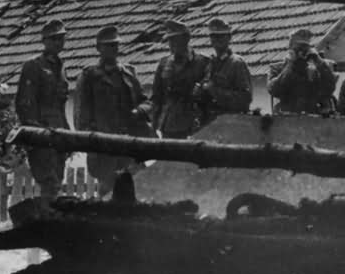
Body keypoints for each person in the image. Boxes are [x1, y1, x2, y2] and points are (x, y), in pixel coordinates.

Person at [74, 25, 155, 196]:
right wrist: (90, 142)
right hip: (105, 145)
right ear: (98, 48)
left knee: (134, 188)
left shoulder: (129, 73)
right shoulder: (89, 76)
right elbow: (81, 116)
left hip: (130, 142)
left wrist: (138, 111)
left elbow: (146, 101)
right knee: (107, 189)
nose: (113, 49)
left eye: (116, 45)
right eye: (108, 45)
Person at [16, 19, 71, 197]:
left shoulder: (61, 68)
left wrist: (67, 131)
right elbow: (25, 103)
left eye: (61, 39)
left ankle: (52, 215)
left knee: (58, 176)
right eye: (54, 39)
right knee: (48, 180)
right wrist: (34, 131)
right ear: (44, 41)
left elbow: (61, 105)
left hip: (59, 131)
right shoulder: (33, 66)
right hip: (41, 130)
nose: (58, 43)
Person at [150, 19, 209, 138]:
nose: (171, 44)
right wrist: (153, 126)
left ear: (186, 39)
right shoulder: (164, 63)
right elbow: (157, 98)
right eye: (169, 40)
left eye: (175, 39)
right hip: (169, 123)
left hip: (194, 122)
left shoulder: (202, 62)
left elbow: (208, 94)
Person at [194, 17, 252, 125]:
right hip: (208, 122)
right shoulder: (208, 63)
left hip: (231, 123)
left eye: (221, 36)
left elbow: (245, 99)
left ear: (229, 38)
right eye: (214, 36)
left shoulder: (236, 63)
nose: (217, 40)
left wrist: (214, 90)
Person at [267, 28, 336, 115]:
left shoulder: (314, 70)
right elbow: (274, 90)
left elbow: (329, 88)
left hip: (310, 118)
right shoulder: (277, 68)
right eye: (298, 48)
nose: (301, 51)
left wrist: (318, 60)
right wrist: (291, 65)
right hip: (285, 118)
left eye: (305, 48)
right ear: (290, 48)